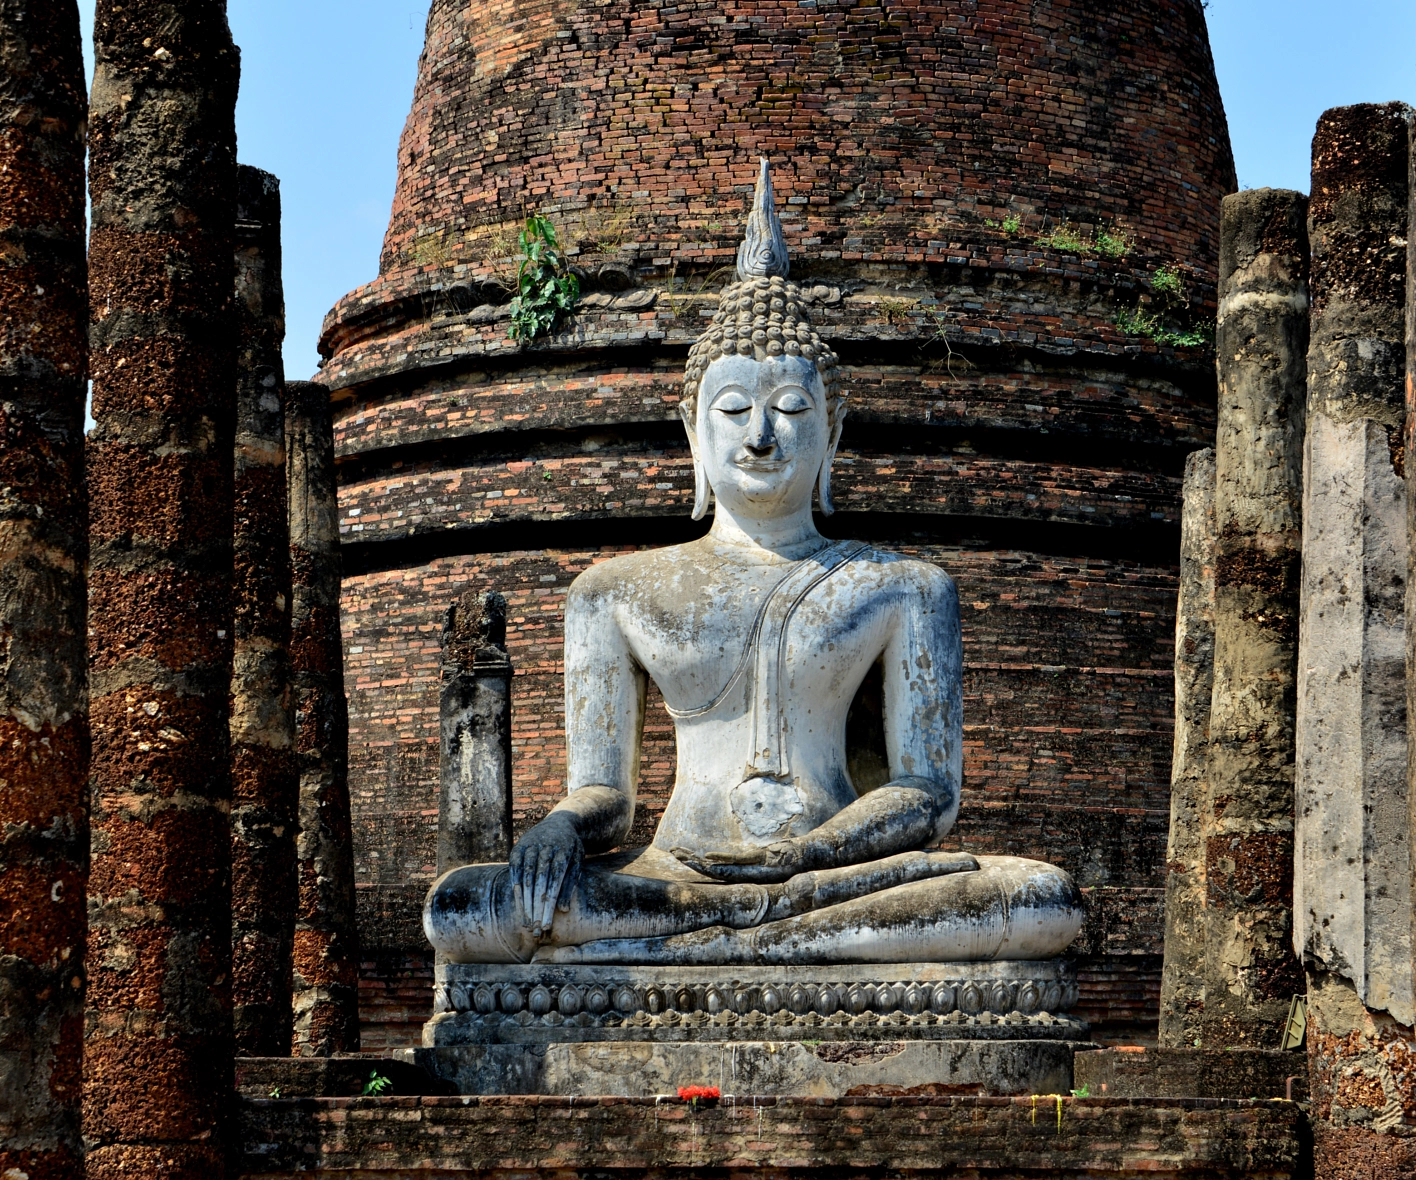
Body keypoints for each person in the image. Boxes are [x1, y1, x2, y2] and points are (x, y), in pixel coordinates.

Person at [424, 162, 1081, 967]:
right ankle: (759, 939)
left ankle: (721, 942)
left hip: (842, 873)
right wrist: (561, 828)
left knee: (1038, 897)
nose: (762, 436)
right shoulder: (615, 593)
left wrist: (804, 858)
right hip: (674, 872)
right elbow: (608, 798)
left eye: (792, 410)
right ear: (694, 434)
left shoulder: (903, 588)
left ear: (831, 434)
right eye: (734, 410)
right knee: (460, 905)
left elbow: (927, 793)